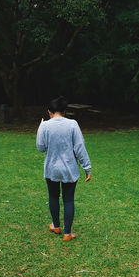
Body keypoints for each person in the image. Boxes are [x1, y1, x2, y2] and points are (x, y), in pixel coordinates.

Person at [36, 96, 92, 241]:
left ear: (49, 112)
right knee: (68, 200)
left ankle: (56, 226)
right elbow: (80, 147)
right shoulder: (73, 124)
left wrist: (40, 127)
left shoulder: (45, 125)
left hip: (51, 168)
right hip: (69, 168)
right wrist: (87, 167)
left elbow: (40, 147)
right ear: (65, 111)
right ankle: (67, 233)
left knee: (53, 196)